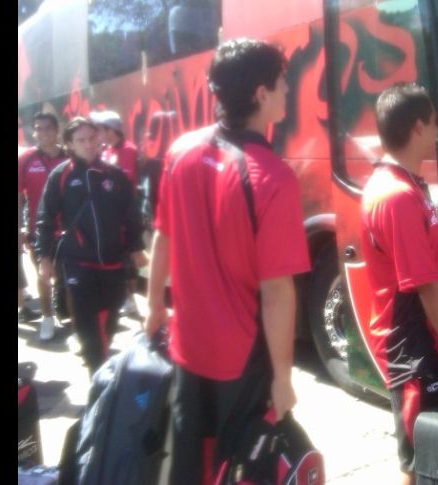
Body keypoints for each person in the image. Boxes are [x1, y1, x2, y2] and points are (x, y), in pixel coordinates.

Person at [143, 38, 310, 484]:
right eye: (282, 83)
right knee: (238, 468)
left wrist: (154, 305)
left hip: (187, 345)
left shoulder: (180, 151)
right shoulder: (272, 176)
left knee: (188, 462)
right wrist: (283, 377)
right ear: (260, 93)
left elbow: (163, 236)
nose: (287, 90)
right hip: (243, 358)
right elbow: (277, 291)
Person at [360, 83, 438, 485]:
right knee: (418, 462)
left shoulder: (406, 184)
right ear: (416, 127)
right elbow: (425, 286)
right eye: (433, 123)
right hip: (412, 348)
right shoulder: (396, 196)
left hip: (425, 339)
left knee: (431, 457)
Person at [35, 117, 147, 375]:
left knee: (109, 322)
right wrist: (44, 258)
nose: (88, 144)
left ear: (100, 138)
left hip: (113, 263)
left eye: (93, 138)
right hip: (78, 263)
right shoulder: (61, 175)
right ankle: (97, 374)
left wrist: (136, 248)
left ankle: (100, 362)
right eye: (81, 140)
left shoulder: (115, 175)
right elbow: (45, 218)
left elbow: (130, 216)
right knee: (88, 328)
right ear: (70, 144)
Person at [18, 112, 67, 339]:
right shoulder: (25, 159)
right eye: (38, 128)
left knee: (69, 276)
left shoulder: (70, 156)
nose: (43, 133)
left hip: (69, 228)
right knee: (43, 275)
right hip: (38, 230)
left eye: (48, 128)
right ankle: (47, 319)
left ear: (57, 130)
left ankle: (72, 319)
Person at [90, 109, 143, 317]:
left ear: (111, 130)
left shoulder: (129, 151)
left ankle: (131, 300)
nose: (97, 134)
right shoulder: (106, 150)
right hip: (111, 215)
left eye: (100, 130)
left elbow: (125, 185)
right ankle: (124, 297)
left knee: (129, 259)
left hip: (126, 215)